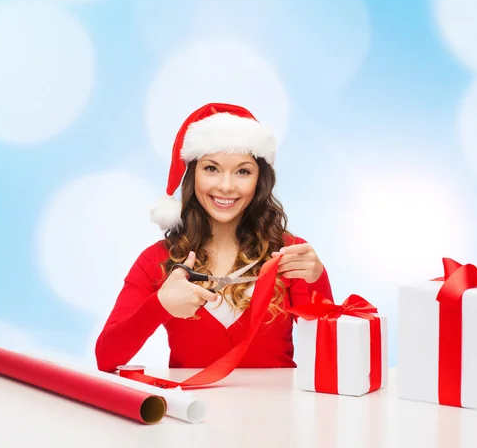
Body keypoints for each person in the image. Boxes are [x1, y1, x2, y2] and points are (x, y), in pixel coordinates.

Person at [95, 102, 333, 372]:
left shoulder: (290, 254)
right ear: (192, 174)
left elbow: (333, 357)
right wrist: (159, 306)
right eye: (211, 168)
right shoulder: (157, 260)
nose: (226, 186)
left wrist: (317, 279)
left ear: (259, 180)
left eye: (243, 171)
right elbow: (106, 357)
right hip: (192, 412)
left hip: (280, 412)